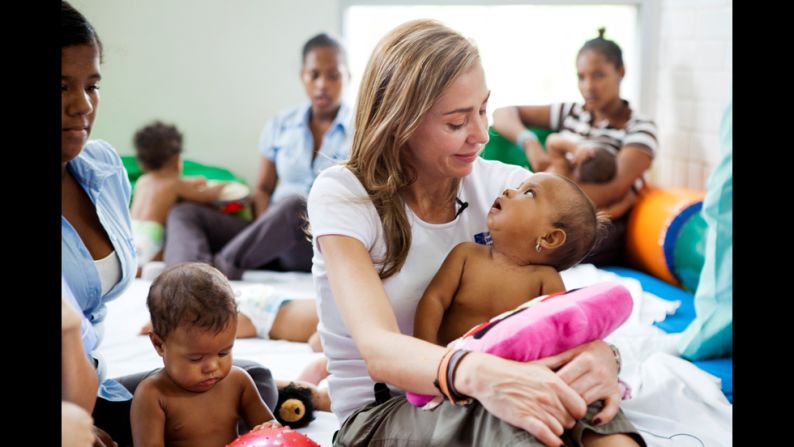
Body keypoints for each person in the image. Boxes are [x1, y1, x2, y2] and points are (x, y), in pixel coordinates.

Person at [307, 19, 643, 447]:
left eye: (483, 110)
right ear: (400, 123)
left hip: (486, 377)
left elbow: (562, 315)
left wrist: (602, 358)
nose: (481, 135)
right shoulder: (344, 194)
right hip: (384, 411)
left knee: (582, 401)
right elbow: (379, 347)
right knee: (519, 415)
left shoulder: (506, 188)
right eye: (456, 122)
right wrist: (484, 376)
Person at [60, 3, 278, 445]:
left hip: (93, 383)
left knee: (251, 377)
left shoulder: (101, 169)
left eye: (93, 85)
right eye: (61, 86)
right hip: (67, 402)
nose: (82, 105)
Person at [162, 32, 352, 281]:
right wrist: (266, 230)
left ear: (348, 77)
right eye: (314, 75)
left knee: (297, 206)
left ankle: (211, 277)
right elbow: (263, 188)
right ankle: (182, 282)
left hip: (318, 243)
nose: (322, 84)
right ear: (302, 77)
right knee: (184, 214)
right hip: (269, 235)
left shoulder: (361, 132)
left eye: (333, 76)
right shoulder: (281, 124)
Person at [492, 27, 658, 266]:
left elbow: (614, 188)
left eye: (599, 75)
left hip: (597, 220)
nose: (589, 86)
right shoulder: (572, 112)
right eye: (582, 77)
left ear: (620, 72)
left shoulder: (640, 127)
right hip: (549, 207)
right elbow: (502, 113)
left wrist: (548, 200)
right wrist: (529, 143)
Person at [414, 173, 608, 347]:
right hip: (449, 368)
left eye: (529, 193)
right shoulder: (466, 255)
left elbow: (557, 331)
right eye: (518, 187)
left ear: (549, 238)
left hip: (505, 373)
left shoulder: (544, 280)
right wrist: (426, 352)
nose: (508, 191)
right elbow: (434, 300)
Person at [131, 263, 279, 446]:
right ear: (159, 344)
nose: (212, 367)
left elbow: (269, 431)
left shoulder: (239, 381)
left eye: (223, 353)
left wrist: (272, 428)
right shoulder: (153, 395)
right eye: (196, 358)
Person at [129, 121, 226, 270]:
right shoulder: (175, 184)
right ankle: (148, 270)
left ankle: (137, 271)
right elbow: (206, 196)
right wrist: (221, 188)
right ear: (177, 160)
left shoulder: (143, 181)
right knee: (158, 259)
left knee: (134, 265)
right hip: (152, 236)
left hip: (132, 233)